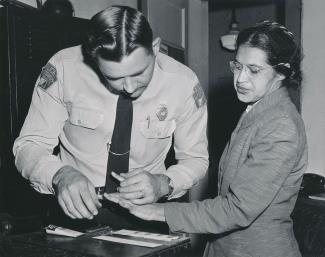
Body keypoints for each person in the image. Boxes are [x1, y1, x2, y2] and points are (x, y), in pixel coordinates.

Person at [106, 21, 308, 257]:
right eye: (237, 66)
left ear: (281, 73)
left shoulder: (279, 125)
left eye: (254, 70)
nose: (240, 79)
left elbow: (238, 209)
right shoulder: (258, 111)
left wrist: (156, 211)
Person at [13, 5, 208, 225]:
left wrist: (163, 183)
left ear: (155, 48)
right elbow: (29, 145)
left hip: (148, 214)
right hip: (74, 213)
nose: (130, 87)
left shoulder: (183, 83)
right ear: (92, 58)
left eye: (139, 72)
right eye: (114, 77)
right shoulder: (64, 68)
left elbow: (196, 159)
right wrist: (59, 175)